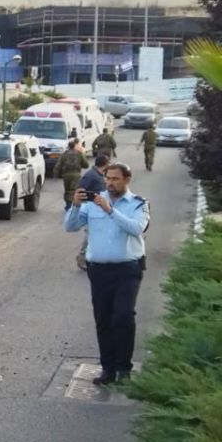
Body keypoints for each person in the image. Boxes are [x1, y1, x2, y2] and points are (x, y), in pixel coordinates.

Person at [63, 162, 149, 385]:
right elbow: (70, 227)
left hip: (127, 269)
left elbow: (136, 229)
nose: (110, 183)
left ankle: (124, 368)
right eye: (108, 179)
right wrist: (74, 206)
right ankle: (108, 369)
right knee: (103, 319)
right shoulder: (93, 203)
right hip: (99, 270)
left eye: (115, 179)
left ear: (127, 179)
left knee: (123, 315)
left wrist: (111, 211)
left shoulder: (138, 204)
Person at [75, 153, 110, 271]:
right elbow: (80, 189)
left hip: (100, 209)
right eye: (108, 163)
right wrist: (86, 203)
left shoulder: (98, 175)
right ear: (104, 164)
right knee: (91, 233)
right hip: (92, 209)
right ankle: (82, 257)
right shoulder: (91, 175)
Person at [54, 140, 90, 210]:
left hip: (66, 175)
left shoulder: (64, 154)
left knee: (67, 190)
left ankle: (68, 204)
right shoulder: (79, 154)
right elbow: (86, 165)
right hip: (76, 174)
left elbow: (58, 165)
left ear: (68, 146)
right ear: (74, 146)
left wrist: (55, 175)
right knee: (74, 190)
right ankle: (72, 205)